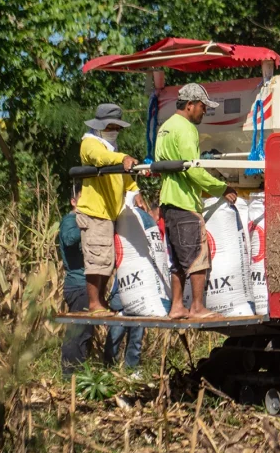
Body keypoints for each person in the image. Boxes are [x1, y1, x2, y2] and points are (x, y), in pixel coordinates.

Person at [155, 83, 237, 320]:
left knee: (178, 259)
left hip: (167, 201)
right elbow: (193, 169)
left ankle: (177, 306)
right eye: (202, 107)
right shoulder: (187, 129)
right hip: (184, 202)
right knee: (198, 255)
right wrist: (221, 187)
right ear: (189, 105)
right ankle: (198, 307)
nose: (204, 112)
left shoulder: (165, 127)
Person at [76, 103, 142, 313]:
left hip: (108, 214)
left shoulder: (110, 148)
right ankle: (95, 302)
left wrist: (134, 188)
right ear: (100, 125)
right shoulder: (91, 143)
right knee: (97, 259)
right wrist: (122, 158)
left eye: (118, 128)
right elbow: (101, 159)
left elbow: (121, 176)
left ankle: (100, 301)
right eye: (112, 127)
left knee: (107, 260)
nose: (115, 131)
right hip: (95, 212)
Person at [59, 197, 93, 377]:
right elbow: (69, 239)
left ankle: (79, 374)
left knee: (85, 332)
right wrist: (86, 224)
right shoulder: (70, 220)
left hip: (86, 286)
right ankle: (68, 375)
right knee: (76, 332)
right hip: (77, 286)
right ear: (73, 201)